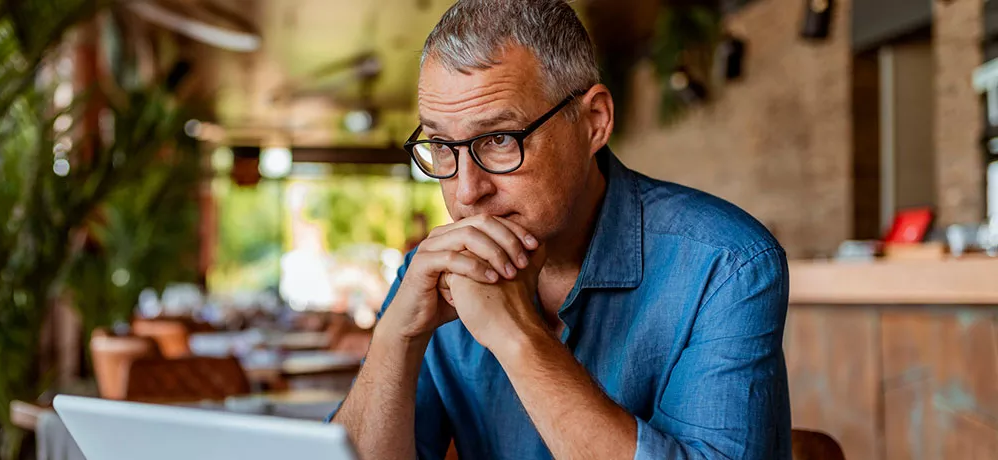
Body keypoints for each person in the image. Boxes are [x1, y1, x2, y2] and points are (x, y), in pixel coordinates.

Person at [329, 1, 791, 459]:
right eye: (443, 146)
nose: (467, 192)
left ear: (594, 122)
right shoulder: (433, 274)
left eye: (499, 139)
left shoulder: (726, 265)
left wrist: (518, 338)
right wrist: (396, 338)